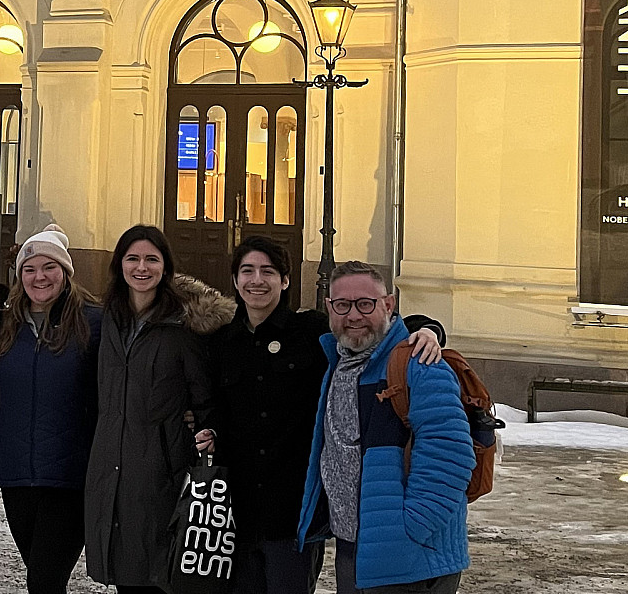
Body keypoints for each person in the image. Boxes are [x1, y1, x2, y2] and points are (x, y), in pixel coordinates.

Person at [210, 238, 445, 594]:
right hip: (234, 512)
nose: (257, 280)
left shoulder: (313, 333)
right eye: (247, 271)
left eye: (268, 271)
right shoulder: (221, 342)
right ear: (235, 280)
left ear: (285, 281)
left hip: (292, 515)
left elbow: (369, 326)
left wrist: (428, 329)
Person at [297, 261, 475, 594]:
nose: (353, 315)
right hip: (356, 550)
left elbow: (450, 459)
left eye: (366, 304)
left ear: (389, 305)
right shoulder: (338, 364)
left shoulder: (419, 364)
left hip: (411, 560)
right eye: (342, 305)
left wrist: (408, 531)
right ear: (329, 308)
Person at [84, 224, 235, 594]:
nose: (141, 267)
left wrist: (199, 431)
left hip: (162, 474)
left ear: (165, 267)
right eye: (132, 258)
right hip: (110, 471)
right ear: (119, 264)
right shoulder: (110, 322)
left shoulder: (183, 328)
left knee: (160, 577)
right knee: (126, 576)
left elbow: (206, 399)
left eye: (151, 259)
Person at [0, 224, 103, 594]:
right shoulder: (5, 324)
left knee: (44, 579)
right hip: (18, 475)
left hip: (70, 477)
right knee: (42, 577)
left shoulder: (93, 323)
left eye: (49, 267)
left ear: (66, 272)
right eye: (29, 269)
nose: (39, 277)